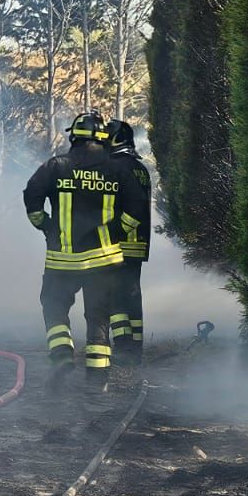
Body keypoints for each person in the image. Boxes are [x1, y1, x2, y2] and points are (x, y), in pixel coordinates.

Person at [21, 110, 134, 390]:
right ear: (103, 139)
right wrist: (115, 234)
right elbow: (135, 211)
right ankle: (97, 381)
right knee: (99, 317)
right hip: (104, 259)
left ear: (74, 137)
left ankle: (61, 354)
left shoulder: (56, 166)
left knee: (54, 305)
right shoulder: (118, 170)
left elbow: (31, 195)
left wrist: (46, 225)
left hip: (63, 259)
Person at [102, 119, 152, 367]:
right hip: (137, 244)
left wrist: (115, 232)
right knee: (132, 296)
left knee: (114, 296)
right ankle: (135, 348)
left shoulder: (116, 167)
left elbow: (133, 207)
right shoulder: (139, 168)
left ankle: (123, 347)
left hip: (119, 244)